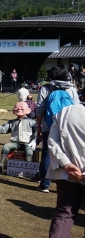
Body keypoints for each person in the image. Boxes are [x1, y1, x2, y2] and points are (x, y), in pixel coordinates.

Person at [43, 102, 85, 238]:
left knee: (64, 212)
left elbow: (52, 140)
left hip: (66, 173)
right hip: (71, 171)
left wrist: (66, 164)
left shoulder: (66, 112)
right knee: (64, 211)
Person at [35, 64, 79, 192]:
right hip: (67, 126)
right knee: (68, 153)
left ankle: (44, 184)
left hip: (49, 125)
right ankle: (66, 180)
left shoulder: (45, 88)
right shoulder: (72, 89)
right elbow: (76, 108)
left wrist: (39, 126)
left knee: (48, 154)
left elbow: (40, 109)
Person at [0, 102, 37, 173]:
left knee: (29, 150)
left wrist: (34, 140)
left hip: (28, 143)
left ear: (28, 110)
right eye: (16, 107)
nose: (19, 109)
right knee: (6, 146)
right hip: (15, 143)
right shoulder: (12, 122)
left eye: (22, 107)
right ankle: (1, 165)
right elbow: (3, 129)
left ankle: (27, 168)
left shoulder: (32, 122)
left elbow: (38, 132)